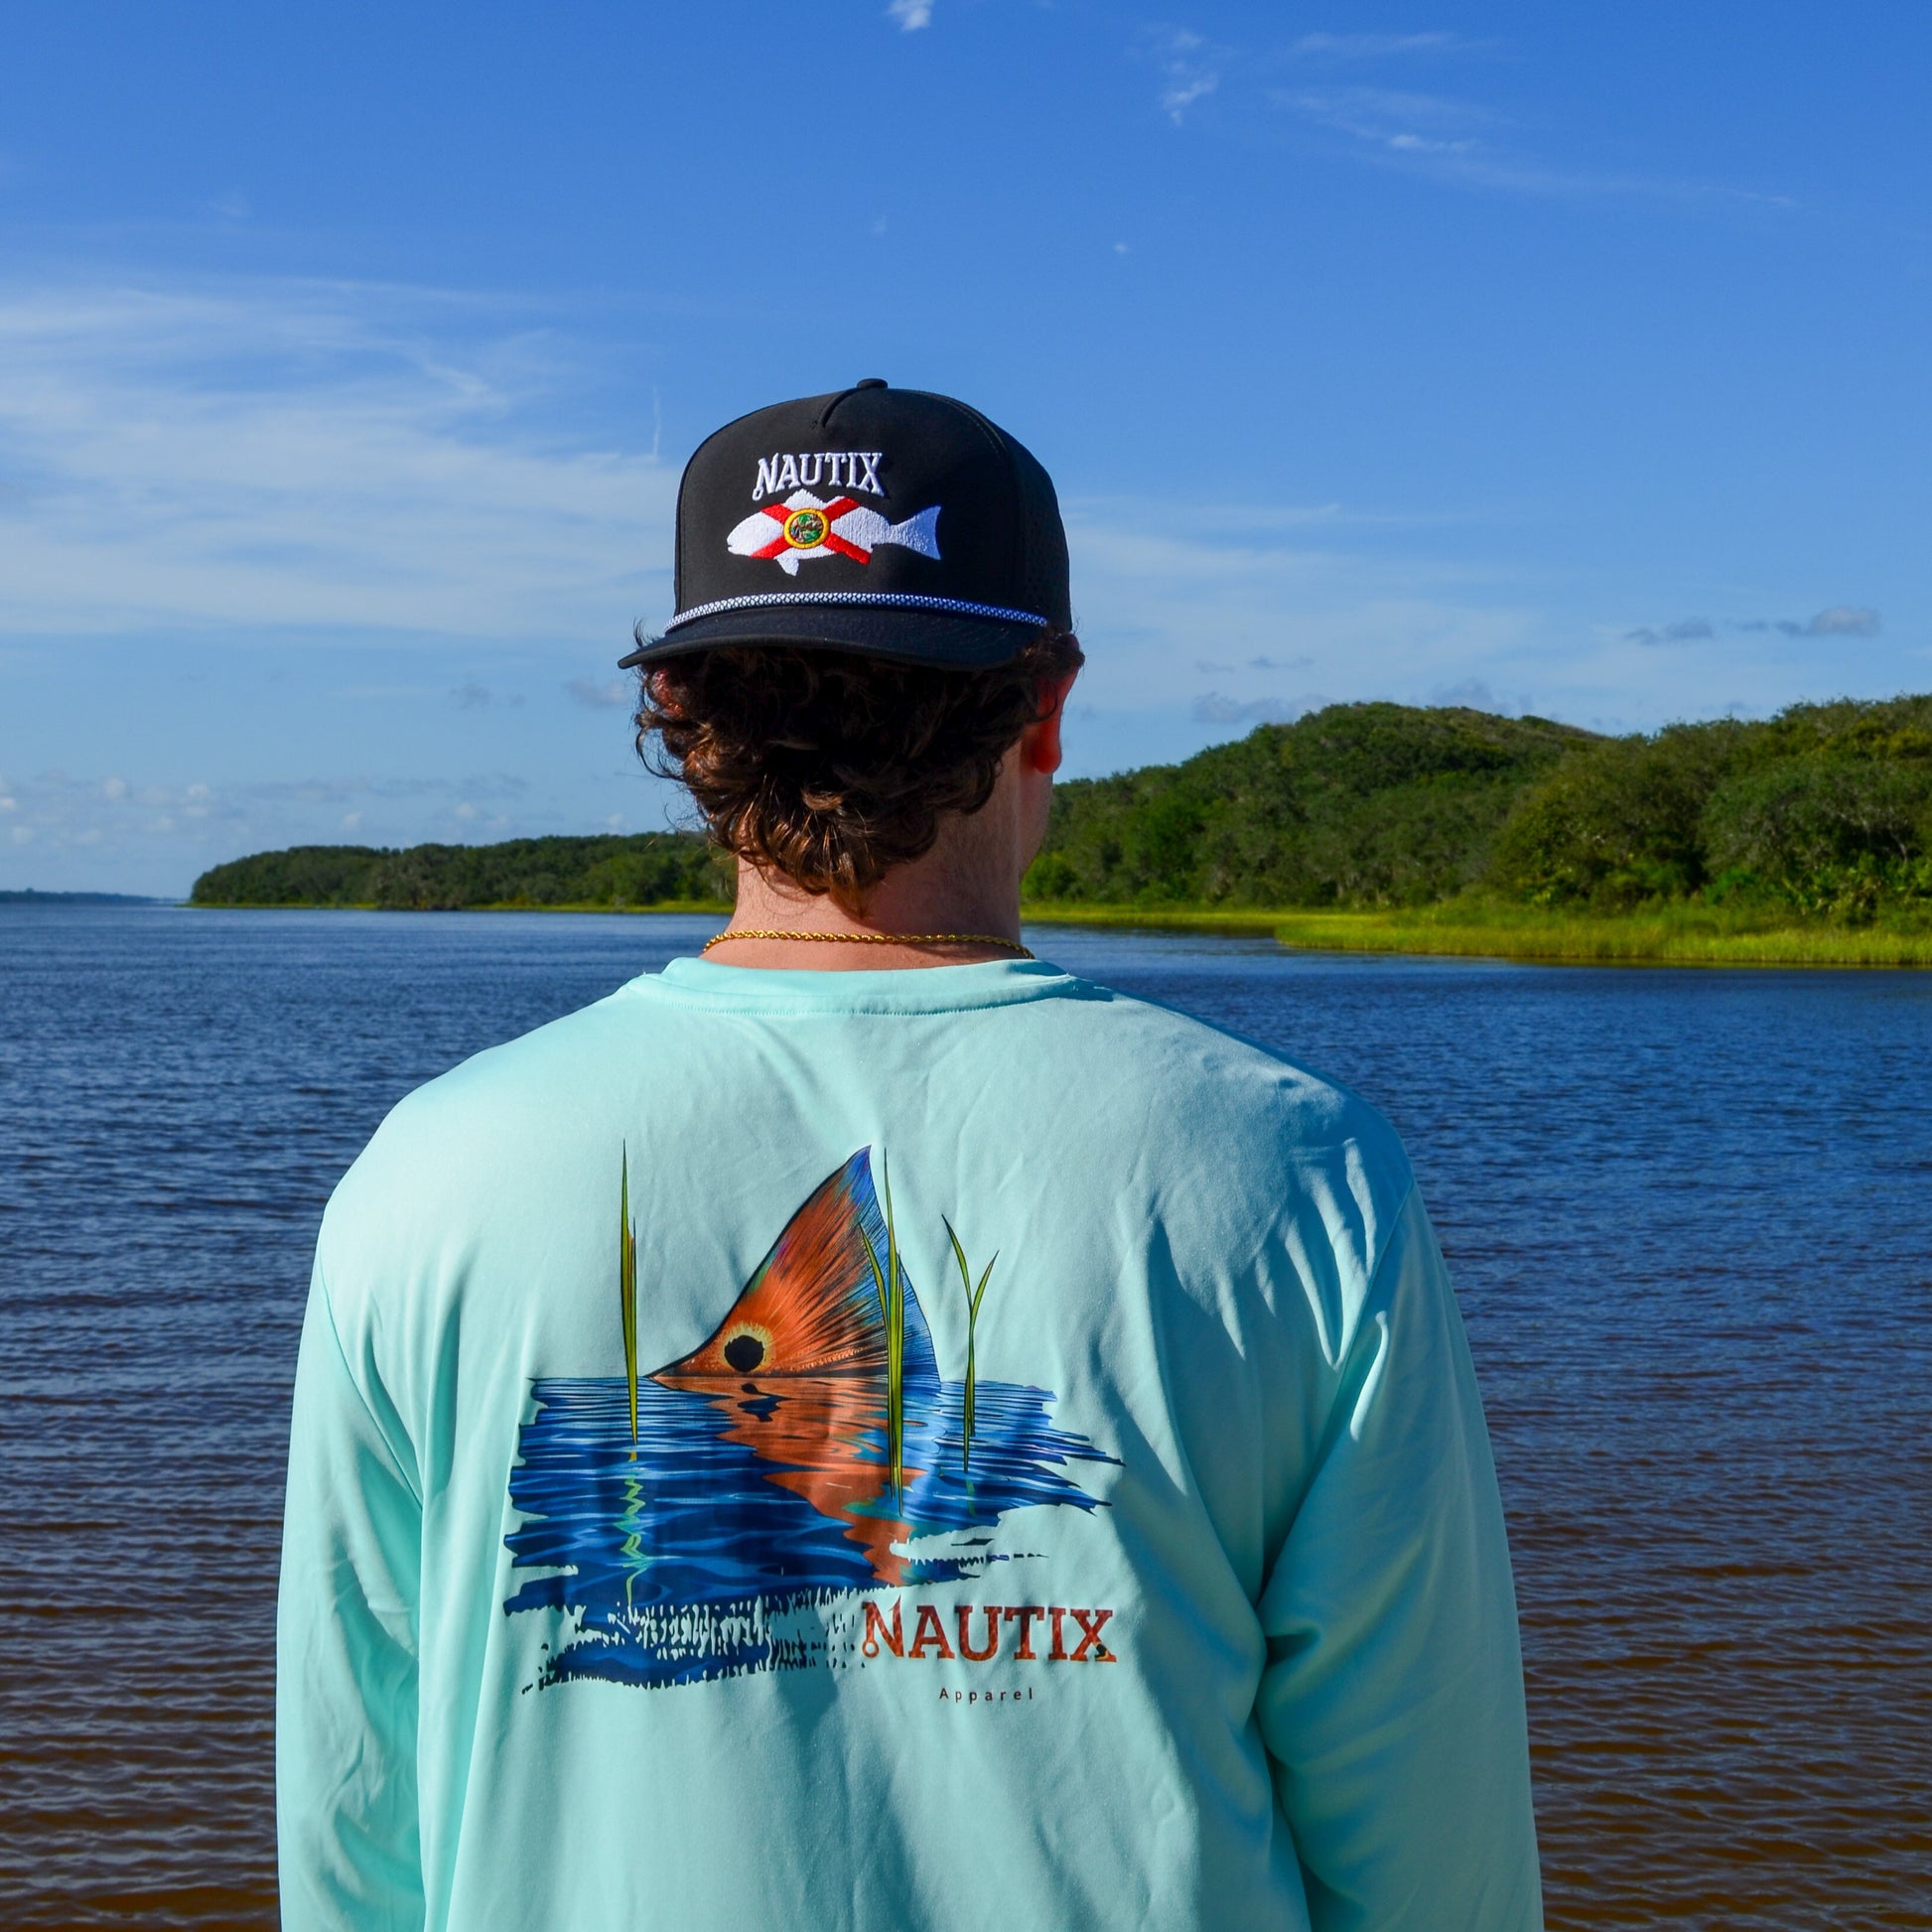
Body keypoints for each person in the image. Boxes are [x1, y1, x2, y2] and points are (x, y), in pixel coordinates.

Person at [277, 381, 1543, 1931]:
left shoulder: (427, 1176)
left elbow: (355, 1824)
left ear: (681, 718)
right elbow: (1432, 1855)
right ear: (1049, 703)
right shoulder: (1299, 1173)